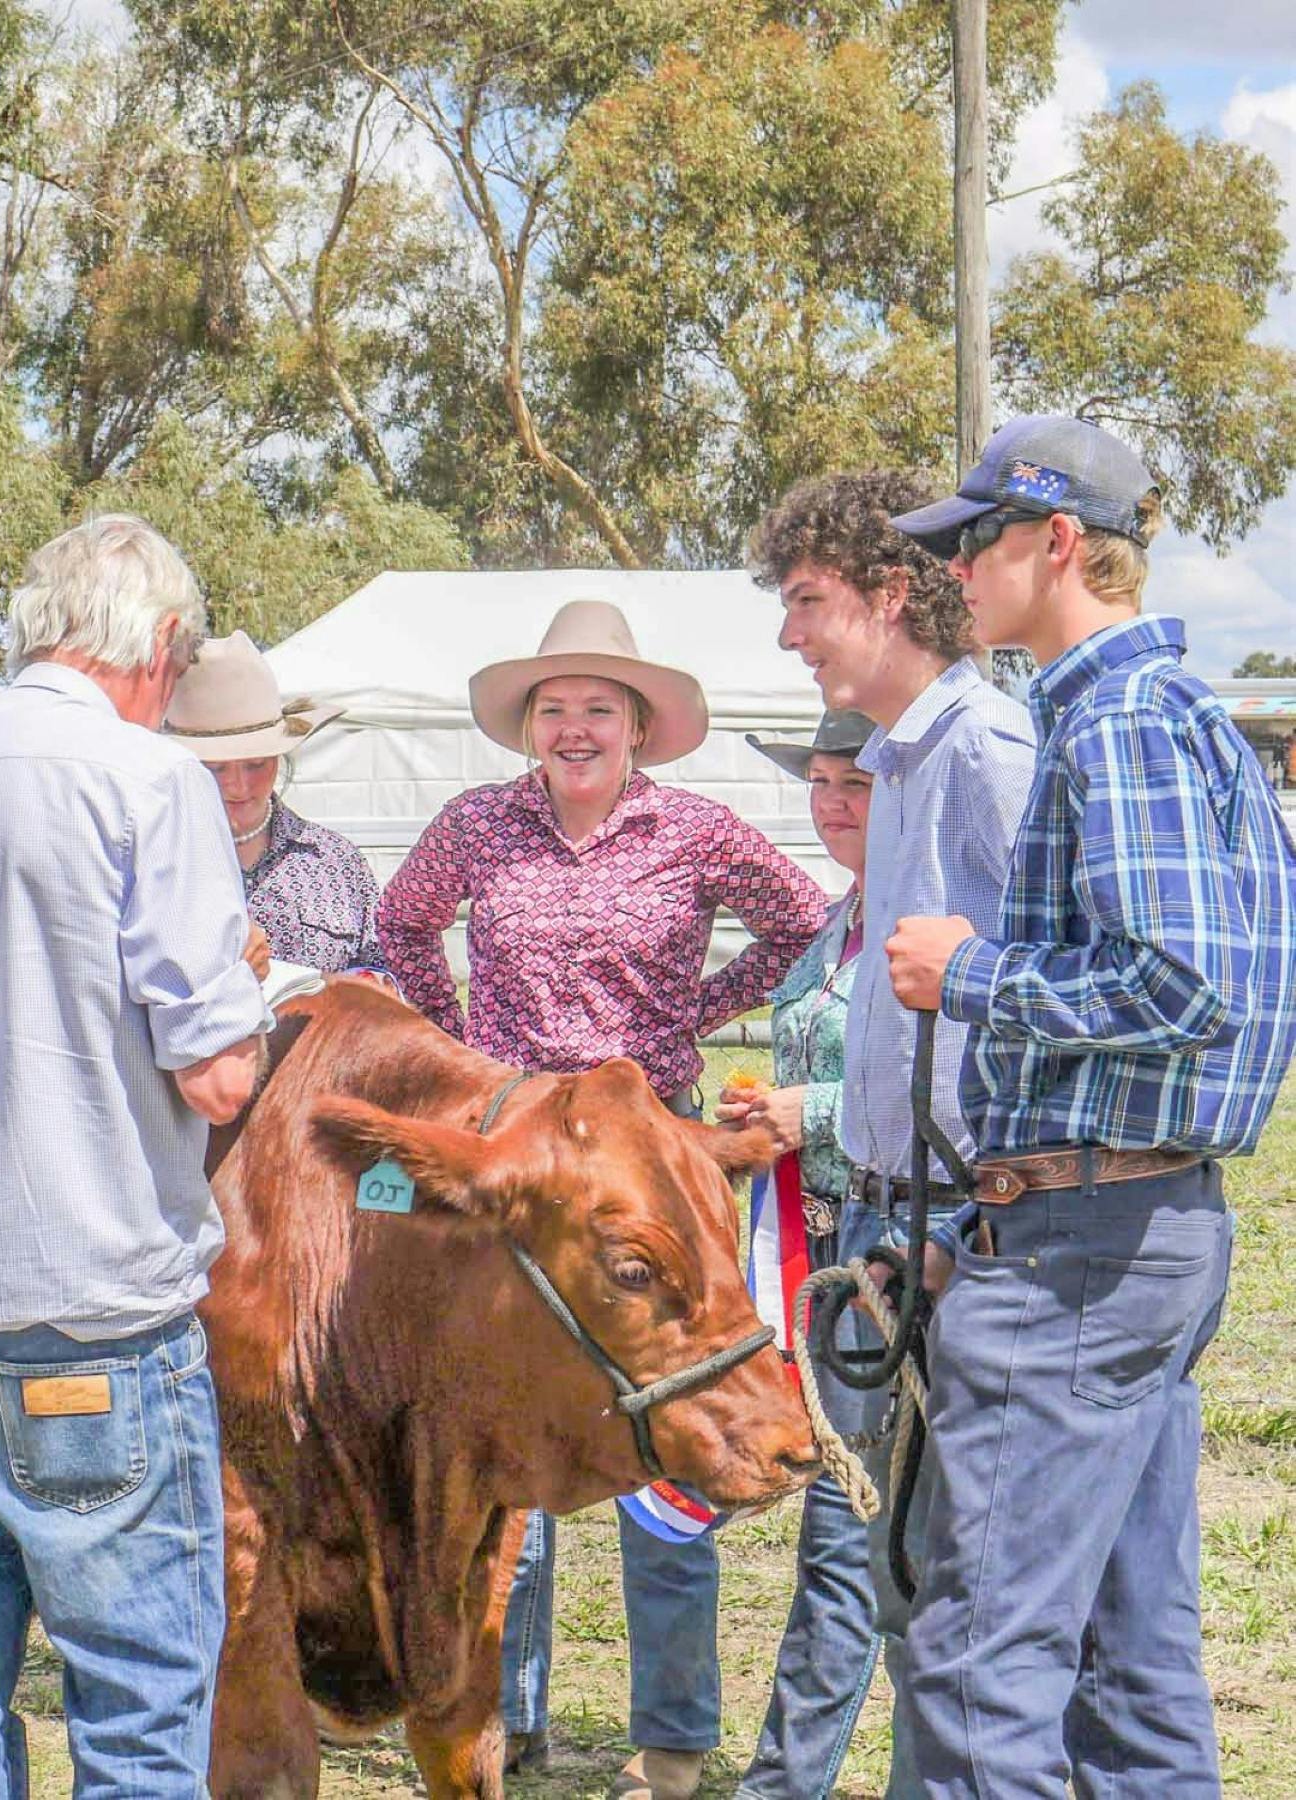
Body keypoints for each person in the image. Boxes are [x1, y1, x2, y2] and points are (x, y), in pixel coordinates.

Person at [883, 415, 1296, 1797]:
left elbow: (1184, 985)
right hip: (1124, 1227)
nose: (958, 574)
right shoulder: (1169, 719)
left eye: (976, 541)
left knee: (979, 1660)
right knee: (1133, 1665)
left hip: (1087, 1248)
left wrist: (972, 971)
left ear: (1057, 542)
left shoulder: (1115, 720)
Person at [0, 513, 274, 1797]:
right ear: (162, 646)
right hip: (99, 1315)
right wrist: (241, 990)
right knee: (137, 1705)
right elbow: (219, 1071)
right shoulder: (153, 782)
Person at [377, 599, 827, 1800]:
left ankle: (673, 1737)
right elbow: (403, 922)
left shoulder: (697, 827)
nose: (576, 729)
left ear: (639, 727)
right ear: (529, 728)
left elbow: (803, 921)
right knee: (500, 1439)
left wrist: (700, 1009)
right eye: (555, 709)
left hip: (658, 1168)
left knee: (672, 1449)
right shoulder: (476, 825)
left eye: (599, 710)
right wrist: (455, 1040)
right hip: (520, 1169)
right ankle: (502, 1718)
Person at [748, 469, 1037, 1795]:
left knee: (955, 1581)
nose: (791, 634)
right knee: (898, 1563)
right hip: (888, 1221)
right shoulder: (903, 759)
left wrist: (971, 1211)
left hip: (952, 1228)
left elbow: (1043, 983)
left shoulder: (979, 751)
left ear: (884, 593)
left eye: (807, 601)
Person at [720, 709, 885, 1800]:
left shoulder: (933, 919)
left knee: (846, 1534)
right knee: (853, 1529)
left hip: (890, 1248)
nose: (829, 802)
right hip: (817, 1248)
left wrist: (806, 1110)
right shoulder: (838, 920)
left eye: (854, 786)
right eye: (821, 782)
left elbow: (953, 1093)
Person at [163, 630, 389, 978]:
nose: (238, 786)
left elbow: (382, 978)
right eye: (214, 768)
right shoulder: (155, 859)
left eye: (257, 764)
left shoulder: (336, 862)